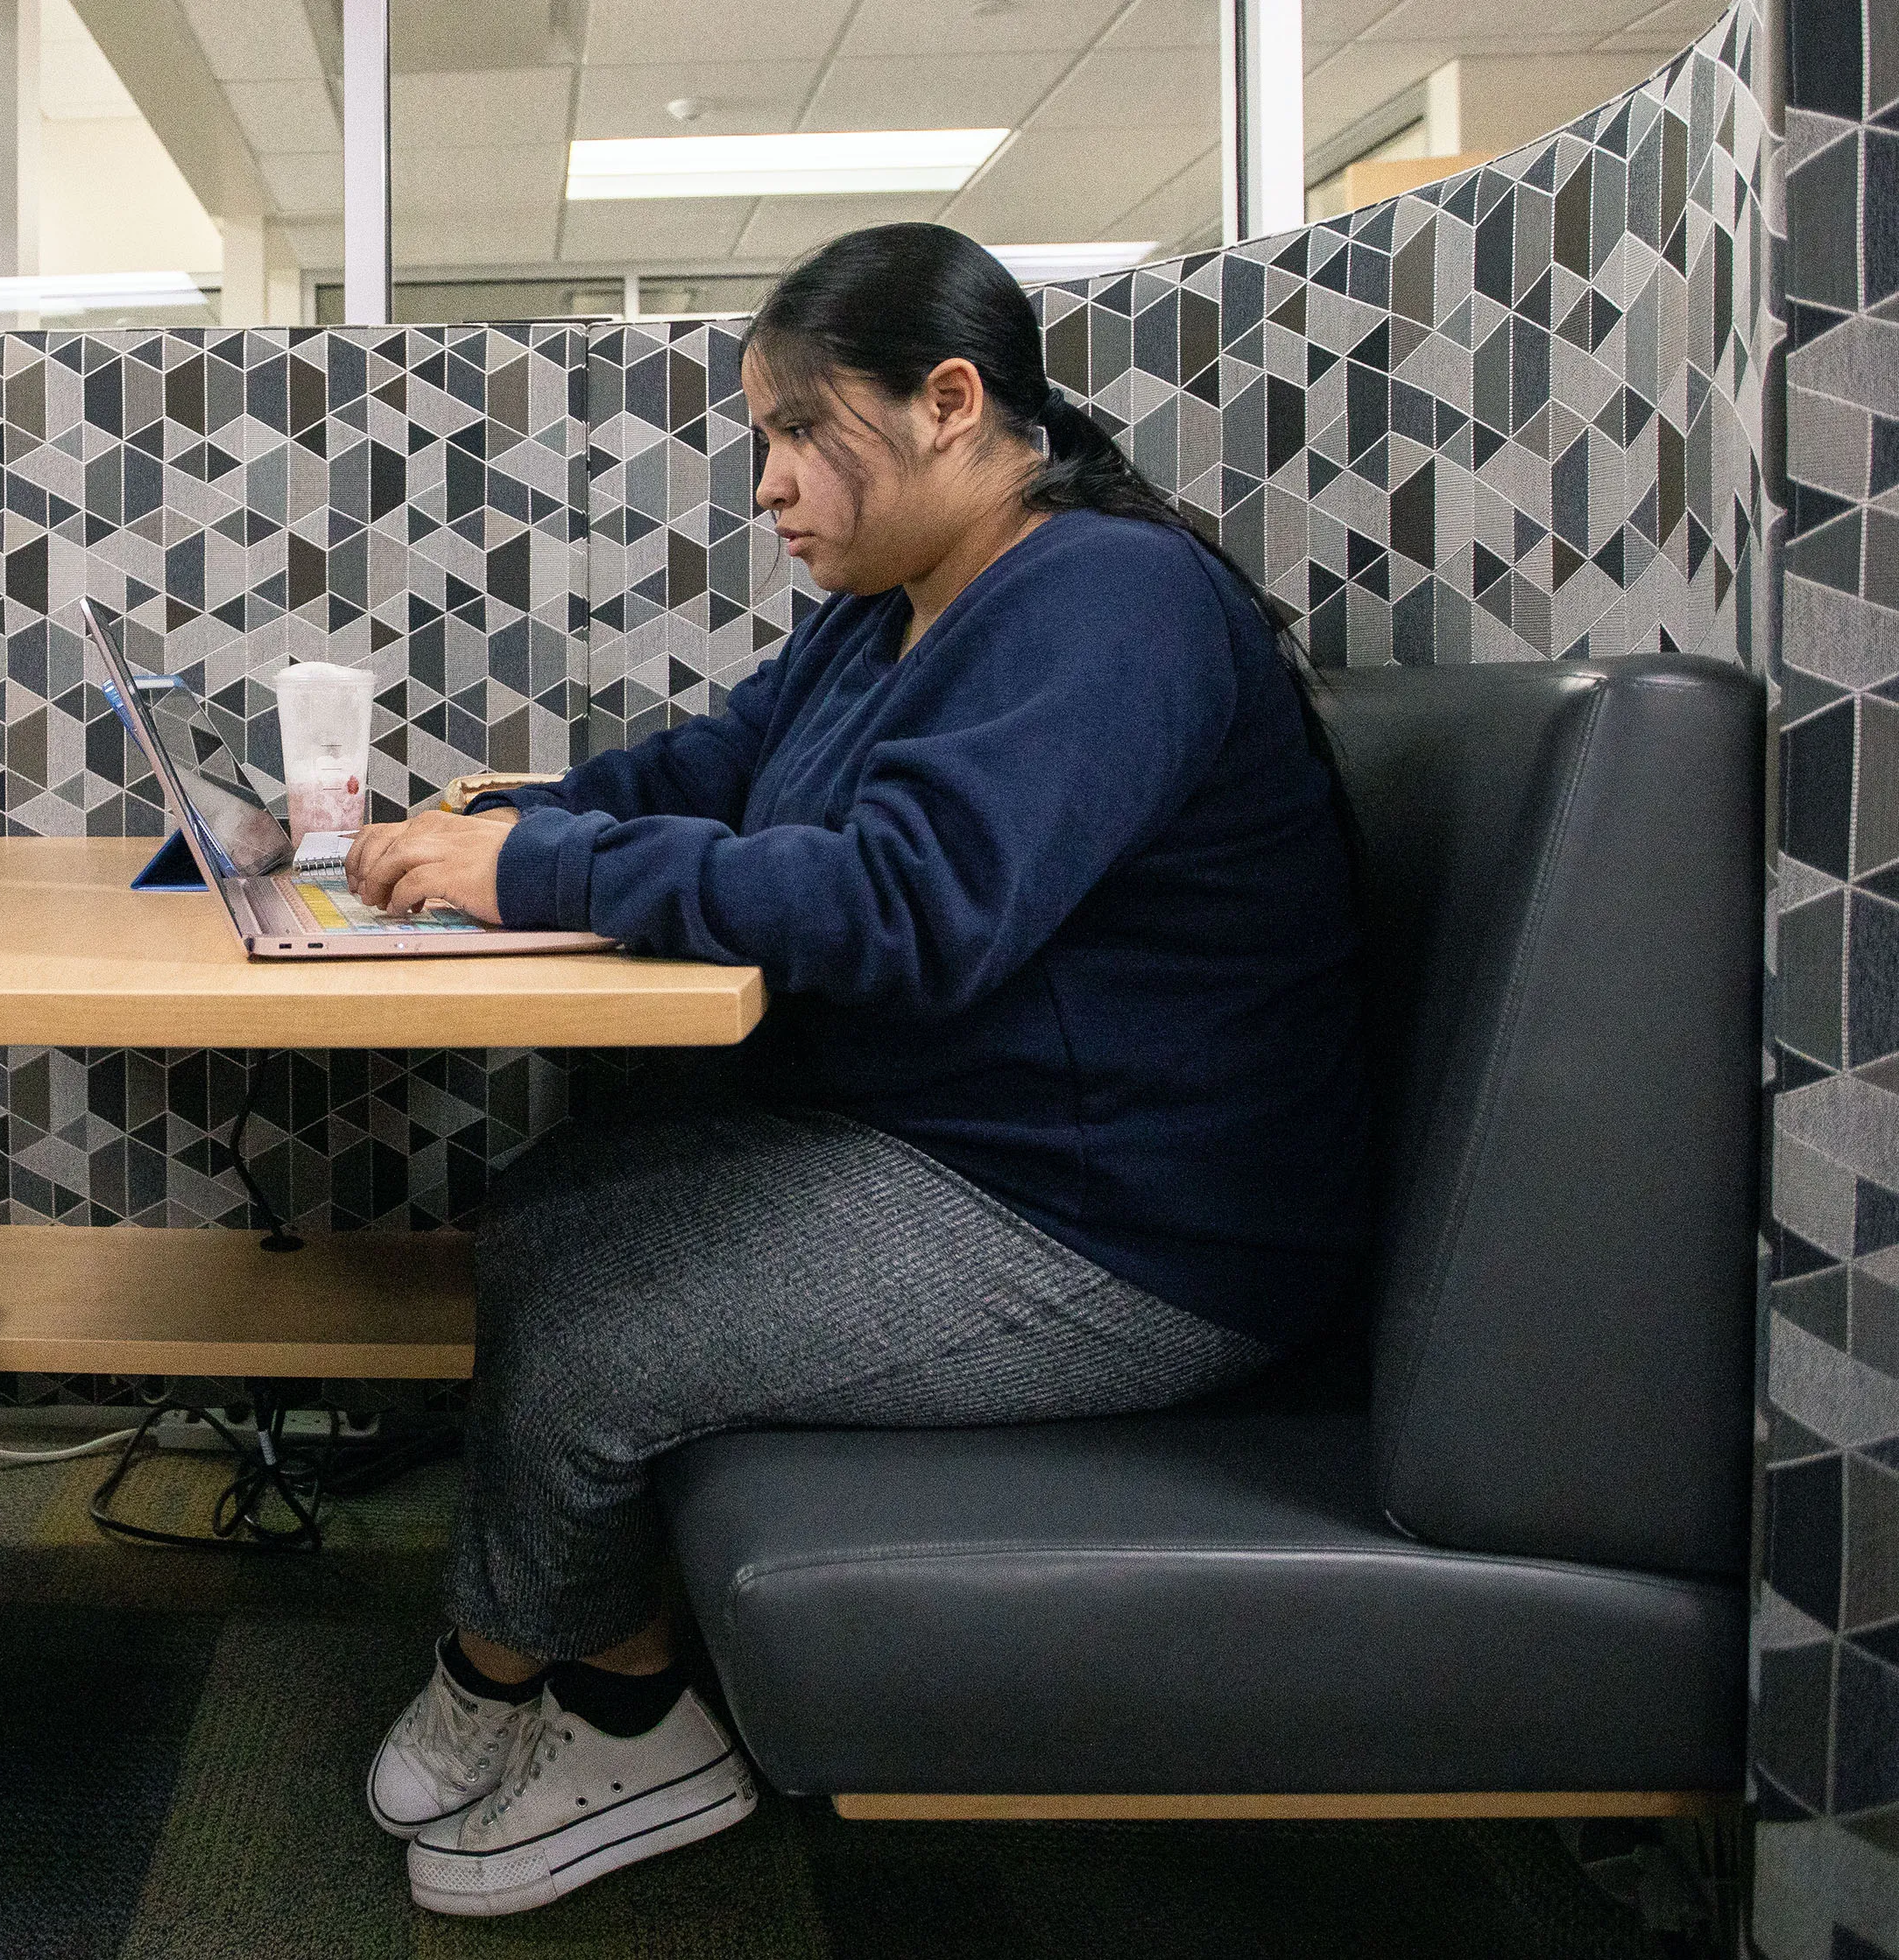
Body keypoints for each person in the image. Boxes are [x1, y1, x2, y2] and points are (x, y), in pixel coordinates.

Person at [341, 222, 1370, 1919]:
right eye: (760, 440)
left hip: (1131, 1233)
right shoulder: (891, 604)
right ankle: (517, 1652)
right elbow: (721, 765)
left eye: (799, 433)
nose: (768, 485)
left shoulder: (1103, 603)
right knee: (543, 1212)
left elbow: (917, 902)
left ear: (950, 402)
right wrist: (505, 821)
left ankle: (624, 1722)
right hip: (973, 1149)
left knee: (596, 1333)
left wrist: (536, 880)